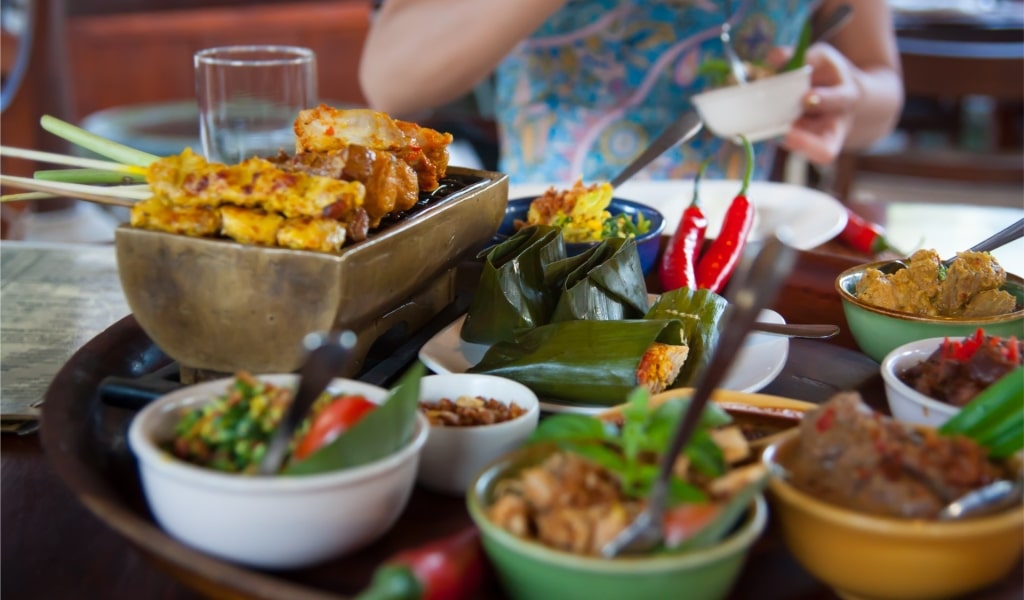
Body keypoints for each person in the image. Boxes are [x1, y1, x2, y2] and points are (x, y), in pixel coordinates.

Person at [359, 0, 903, 184]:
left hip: (736, 252)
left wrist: (849, 95)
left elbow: (883, 89)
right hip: (544, 246)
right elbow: (390, 76)